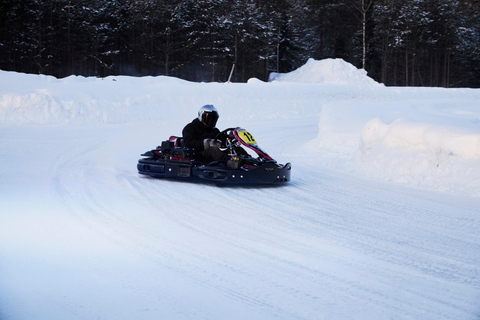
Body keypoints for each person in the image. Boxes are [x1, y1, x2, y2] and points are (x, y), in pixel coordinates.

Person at [182, 104, 240, 169]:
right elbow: (188, 143)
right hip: (198, 155)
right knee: (213, 149)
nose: (210, 121)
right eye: (208, 118)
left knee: (237, 149)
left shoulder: (214, 130)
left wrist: (231, 137)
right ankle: (231, 163)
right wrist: (205, 143)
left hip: (214, 155)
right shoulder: (190, 128)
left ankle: (248, 161)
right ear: (200, 115)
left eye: (213, 119)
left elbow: (224, 140)